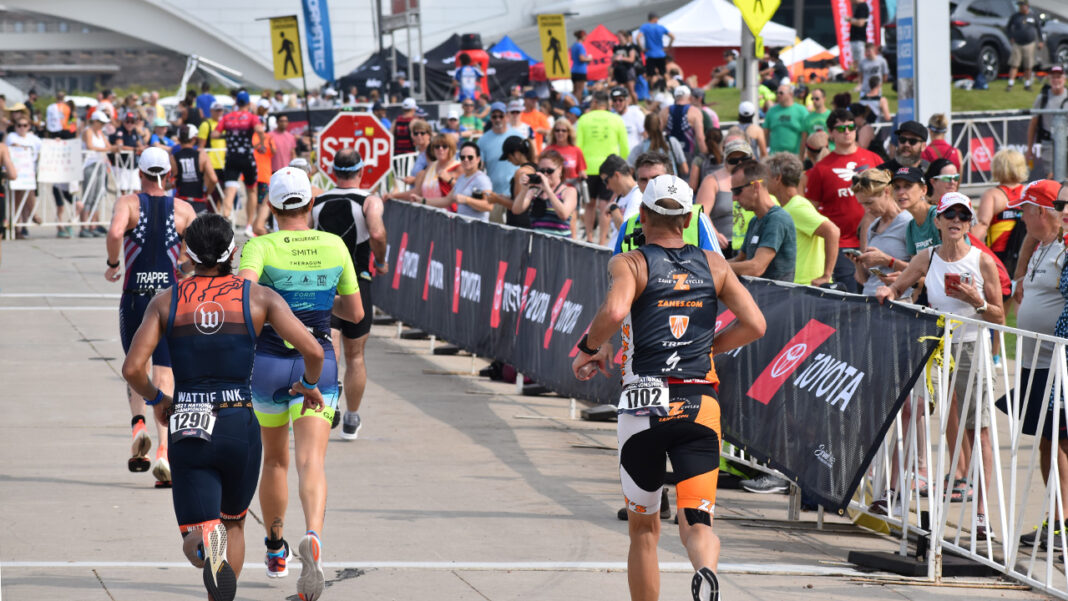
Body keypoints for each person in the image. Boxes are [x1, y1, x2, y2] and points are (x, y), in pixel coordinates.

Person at [572, 173, 765, 601]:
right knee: (697, 520)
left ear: (643, 215)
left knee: (644, 530)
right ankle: (706, 569)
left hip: (644, 404)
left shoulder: (631, 262)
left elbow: (617, 308)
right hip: (699, 400)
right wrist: (710, 346)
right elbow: (755, 324)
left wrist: (589, 346)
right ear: (690, 218)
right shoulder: (715, 265)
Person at [121, 213, 325, 601]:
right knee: (234, 523)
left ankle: (203, 548)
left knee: (197, 529)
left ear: (187, 252)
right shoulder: (258, 297)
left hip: (189, 420)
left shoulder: (168, 300)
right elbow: (313, 350)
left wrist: (158, 399)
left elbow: (132, 367)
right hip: (238, 420)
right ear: (233, 251)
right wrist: (309, 385)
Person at [238, 167, 363, 599]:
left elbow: (244, 302)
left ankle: (275, 549)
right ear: (311, 204)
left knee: (274, 461)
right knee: (313, 461)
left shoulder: (259, 245)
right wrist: (320, 302)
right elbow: (355, 311)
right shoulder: (335, 245)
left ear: (272, 207)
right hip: (319, 361)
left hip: (269, 363)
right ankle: (314, 537)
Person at [878, 192, 1006, 537]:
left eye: (963, 217)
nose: (956, 222)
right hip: (933, 345)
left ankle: (981, 516)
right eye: (949, 215)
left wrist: (975, 301)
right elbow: (900, 288)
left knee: (977, 429)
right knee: (911, 410)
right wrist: (886, 293)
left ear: (969, 224)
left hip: (969, 348)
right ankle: (890, 493)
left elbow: (1000, 315)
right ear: (937, 221)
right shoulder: (927, 257)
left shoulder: (982, 261)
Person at [105, 148, 197, 487]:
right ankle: (164, 451)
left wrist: (114, 264)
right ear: (170, 175)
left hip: (135, 298)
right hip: (170, 299)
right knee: (166, 373)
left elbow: (116, 233)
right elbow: (195, 254)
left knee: (135, 365)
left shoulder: (128, 204)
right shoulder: (184, 210)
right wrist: (183, 270)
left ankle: (138, 425)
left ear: (141, 174)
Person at [312, 149, 389, 440]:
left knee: (328, 349)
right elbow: (378, 234)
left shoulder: (317, 201)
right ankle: (352, 418)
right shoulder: (369, 200)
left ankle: (330, 399)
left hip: (323, 281)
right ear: (361, 171)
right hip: (357, 280)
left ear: (333, 172)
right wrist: (380, 261)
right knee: (355, 355)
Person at [1009, 180, 1068, 550]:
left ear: (1042, 211)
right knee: (1046, 444)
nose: (1021, 216)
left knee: (1062, 443)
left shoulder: (1064, 247)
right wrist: (1018, 275)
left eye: (1025, 210)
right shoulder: (1040, 246)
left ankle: (1063, 524)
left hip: (1058, 363)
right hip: (1034, 363)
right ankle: (1055, 517)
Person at [804, 108, 883, 292]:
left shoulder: (874, 159)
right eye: (841, 129)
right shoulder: (821, 169)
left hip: (876, 240)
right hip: (842, 246)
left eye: (851, 127)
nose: (847, 132)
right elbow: (811, 209)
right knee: (852, 298)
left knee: (877, 294)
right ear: (831, 133)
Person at [765, 153, 840, 286]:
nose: (763, 181)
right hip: (796, 285)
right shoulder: (789, 206)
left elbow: (832, 231)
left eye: (766, 177)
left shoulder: (797, 207)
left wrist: (826, 275)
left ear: (777, 178)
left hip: (805, 286)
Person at [728, 159, 797, 282]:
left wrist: (712, 267)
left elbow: (756, 268)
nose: (734, 198)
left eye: (737, 191)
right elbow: (741, 259)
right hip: (760, 297)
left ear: (755, 186)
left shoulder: (778, 219)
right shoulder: (755, 220)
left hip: (778, 299)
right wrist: (708, 262)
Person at [850, 168, 915, 296]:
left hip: (896, 302)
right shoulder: (874, 225)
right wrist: (858, 263)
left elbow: (921, 271)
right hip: (870, 298)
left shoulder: (908, 223)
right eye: (862, 204)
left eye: (869, 202)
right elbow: (865, 280)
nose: (867, 210)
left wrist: (887, 260)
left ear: (886, 192)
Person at [577, 91, 630, 243]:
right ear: (607, 104)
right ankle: (602, 240)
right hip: (610, 168)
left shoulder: (584, 119)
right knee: (605, 205)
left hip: (588, 167)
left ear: (594, 102)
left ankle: (588, 237)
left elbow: (578, 146)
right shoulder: (616, 119)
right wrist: (623, 165)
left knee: (589, 204)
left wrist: (580, 168)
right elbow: (625, 146)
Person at [975, 148, 1030, 275]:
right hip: (1026, 253)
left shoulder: (993, 195)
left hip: (999, 256)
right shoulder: (1028, 192)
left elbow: (982, 225)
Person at [213, 91, 264, 223]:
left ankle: (225, 216)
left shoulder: (227, 117)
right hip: (247, 157)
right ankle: (249, 225)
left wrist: (229, 136)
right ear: (248, 103)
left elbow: (214, 135)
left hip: (231, 158)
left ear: (236, 102)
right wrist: (262, 144)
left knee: (230, 189)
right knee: (251, 190)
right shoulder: (252, 117)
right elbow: (260, 130)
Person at [511, 149, 578, 236]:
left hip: (559, 245)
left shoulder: (569, 191)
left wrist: (548, 190)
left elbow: (564, 214)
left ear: (560, 170)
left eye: (550, 171)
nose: (545, 174)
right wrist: (524, 190)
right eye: (542, 171)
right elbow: (516, 210)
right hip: (537, 244)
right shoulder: (534, 191)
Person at [478, 102, 527, 206]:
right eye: (494, 116)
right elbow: (479, 168)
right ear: (490, 118)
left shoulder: (518, 136)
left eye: (501, 116)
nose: (498, 119)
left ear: (507, 116)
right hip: (494, 197)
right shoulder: (483, 140)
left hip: (516, 196)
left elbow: (527, 163)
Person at [483, 135, 537, 228]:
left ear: (516, 153)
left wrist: (497, 199)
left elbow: (516, 206)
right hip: (532, 221)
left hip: (519, 224)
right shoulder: (535, 168)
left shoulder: (521, 172)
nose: (508, 160)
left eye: (508, 156)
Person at [80, 111, 116, 238]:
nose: (102, 125)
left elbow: (109, 146)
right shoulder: (88, 131)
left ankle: (93, 225)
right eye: (100, 123)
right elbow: (90, 146)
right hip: (90, 165)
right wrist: (108, 149)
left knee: (97, 195)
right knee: (88, 196)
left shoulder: (100, 133)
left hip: (100, 164)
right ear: (94, 121)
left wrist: (111, 148)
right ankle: (84, 225)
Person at [1026, 65, 1067, 178]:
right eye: (1053, 77)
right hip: (1048, 142)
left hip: (1066, 140)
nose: (1056, 80)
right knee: (1051, 175)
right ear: (1049, 79)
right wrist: (1029, 148)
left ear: (1064, 78)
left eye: (1059, 77)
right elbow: (1033, 124)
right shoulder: (1043, 98)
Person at [6, 116, 41, 239]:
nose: (22, 128)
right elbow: (13, 145)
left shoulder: (33, 138)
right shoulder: (11, 136)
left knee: (29, 195)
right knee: (16, 201)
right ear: (15, 126)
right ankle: (17, 227)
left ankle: (29, 218)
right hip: (16, 172)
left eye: (25, 125)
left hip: (29, 173)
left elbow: (44, 147)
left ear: (29, 126)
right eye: (19, 125)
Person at [171, 124, 218, 214]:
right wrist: (207, 193)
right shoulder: (202, 155)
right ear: (194, 139)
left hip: (181, 203)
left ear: (179, 139)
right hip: (199, 202)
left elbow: (171, 181)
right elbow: (214, 179)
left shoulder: (173, 157)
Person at [445, 141, 495, 221]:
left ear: (478, 159)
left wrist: (467, 200)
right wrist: (423, 200)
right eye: (462, 157)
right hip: (463, 228)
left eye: (470, 157)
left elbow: (489, 206)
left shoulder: (482, 179)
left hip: (478, 229)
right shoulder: (461, 178)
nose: (466, 160)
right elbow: (447, 200)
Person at [629, 113, 688, 179]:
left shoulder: (640, 148)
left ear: (645, 127)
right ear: (661, 125)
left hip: (649, 186)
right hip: (671, 186)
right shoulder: (672, 142)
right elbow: (685, 169)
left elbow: (629, 171)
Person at [1006, 0, 1044, 92]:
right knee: (1014, 64)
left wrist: (1041, 41)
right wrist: (1011, 37)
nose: (1020, 7)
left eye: (1022, 5)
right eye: (1019, 5)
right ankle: (1010, 84)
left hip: (1030, 44)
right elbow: (1008, 27)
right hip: (1017, 43)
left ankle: (1027, 85)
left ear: (1027, 6)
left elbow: (1039, 29)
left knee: (1028, 66)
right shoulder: (1015, 16)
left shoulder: (1033, 16)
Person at [660, 85, 704, 163]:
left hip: (670, 153)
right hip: (688, 153)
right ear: (689, 97)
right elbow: (700, 137)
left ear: (675, 97)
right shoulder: (695, 112)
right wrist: (705, 153)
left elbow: (657, 134)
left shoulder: (664, 111)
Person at [764, 83, 809, 155]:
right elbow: (765, 133)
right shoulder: (771, 111)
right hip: (775, 156)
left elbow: (806, 134)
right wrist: (765, 152)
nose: (778, 95)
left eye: (781, 93)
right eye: (777, 93)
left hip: (795, 156)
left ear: (791, 94)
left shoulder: (802, 111)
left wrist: (804, 154)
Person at [544, 117, 588, 185]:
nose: (560, 133)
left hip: (572, 189)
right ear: (553, 132)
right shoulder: (548, 150)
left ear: (569, 133)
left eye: (563, 130)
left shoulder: (576, 150)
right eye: (557, 130)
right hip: (553, 189)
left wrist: (582, 175)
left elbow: (581, 171)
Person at [638, 12, 675, 91]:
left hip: (650, 54)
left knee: (651, 75)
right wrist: (668, 47)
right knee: (664, 73)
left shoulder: (645, 27)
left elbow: (638, 38)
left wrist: (642, 48)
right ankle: (669, 89)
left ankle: (653, 91)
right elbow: (672, 37)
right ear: (655, 18)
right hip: (661, 54)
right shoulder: (661, 27)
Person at [800, 88, 830, 154]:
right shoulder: (807, 118)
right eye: (812, 99)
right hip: (811, 155)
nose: (814, 101)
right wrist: (801, 158)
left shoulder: (831, 116)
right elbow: (803, 140)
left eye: (817, 99)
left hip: (828, 154)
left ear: (824, 99)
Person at [612, 30, 640, 100]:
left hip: (628, 69)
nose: (619, 38)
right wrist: (615, 59)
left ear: (624, 37)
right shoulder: (616, 47)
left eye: (620, 36)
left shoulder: (629, 47)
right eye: (618, 36)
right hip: (620, 70)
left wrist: (621, 58)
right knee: (621, 90)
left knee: (631, 90)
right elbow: (613, 58)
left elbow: (632, 59)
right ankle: (627, 104)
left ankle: (636, 104)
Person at [847, 0, 870, 71]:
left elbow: (860, 23)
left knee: (860, 61)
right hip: (856, 39)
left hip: (859, 39)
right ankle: (858, 77)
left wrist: (849, 19)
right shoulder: (859, 7)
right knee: (856, 61)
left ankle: (863, 76)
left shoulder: (862, 6)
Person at [570, 30, 592, 99]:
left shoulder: (574, 46)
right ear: (582, 36)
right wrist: (589, 59)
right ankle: (577, 106)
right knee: (579, 91)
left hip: (574, 70)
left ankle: (573, 106)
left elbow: (572, 58)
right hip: (580, 71)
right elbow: (581, 58)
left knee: (575, 90)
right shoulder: (580, 46)